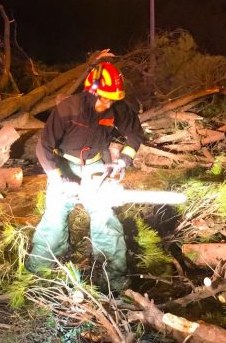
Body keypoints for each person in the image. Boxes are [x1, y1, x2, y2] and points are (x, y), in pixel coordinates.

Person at [26, 61, 144, 293]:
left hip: (95, 168)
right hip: (64, 166)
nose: (108, 103)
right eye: (104, 98)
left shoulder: (117, 108)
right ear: (91, 92)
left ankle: (114, 278)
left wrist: (122, 161)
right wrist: (59, 180)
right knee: (55, 217)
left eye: (112, 99)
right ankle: (40, 273)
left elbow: (135, 135)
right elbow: (44, 148)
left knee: (104, 218)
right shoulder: (69, 109)